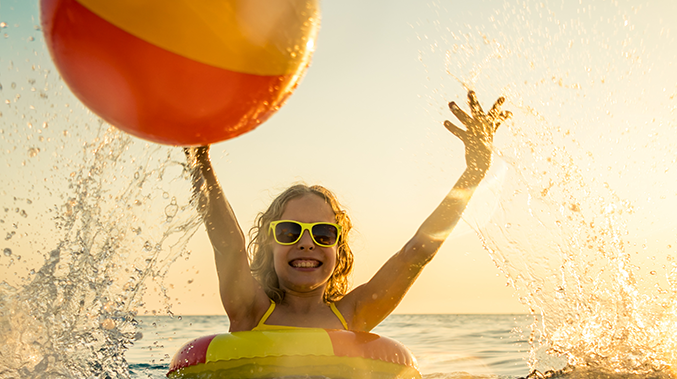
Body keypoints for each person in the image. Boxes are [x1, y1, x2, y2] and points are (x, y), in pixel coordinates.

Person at [184, 91, 510, 333]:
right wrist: (199, 159)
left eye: (323, 234)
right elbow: (228, 244)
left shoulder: (355, 314)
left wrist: (474, 172)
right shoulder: (251, 310)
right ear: (269, 244)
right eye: (290, 231)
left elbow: (416, 253)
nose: (307, 243)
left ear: (339, 249)